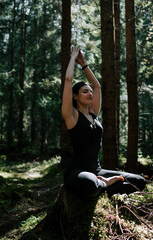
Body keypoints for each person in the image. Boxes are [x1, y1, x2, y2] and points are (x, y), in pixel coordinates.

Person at [61, 46, 146, 198]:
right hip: (78, 172)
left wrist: (84, 65)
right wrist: (72, 59)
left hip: (98, 170)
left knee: (138, 181)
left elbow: (97, 86)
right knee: (90, 183)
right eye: (85, 92)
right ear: (75, 96)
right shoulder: (71, 115)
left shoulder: (93, 114)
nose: (90, 94)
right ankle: (104, 184)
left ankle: (103, 184)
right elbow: (68, 80)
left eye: (90, 92)